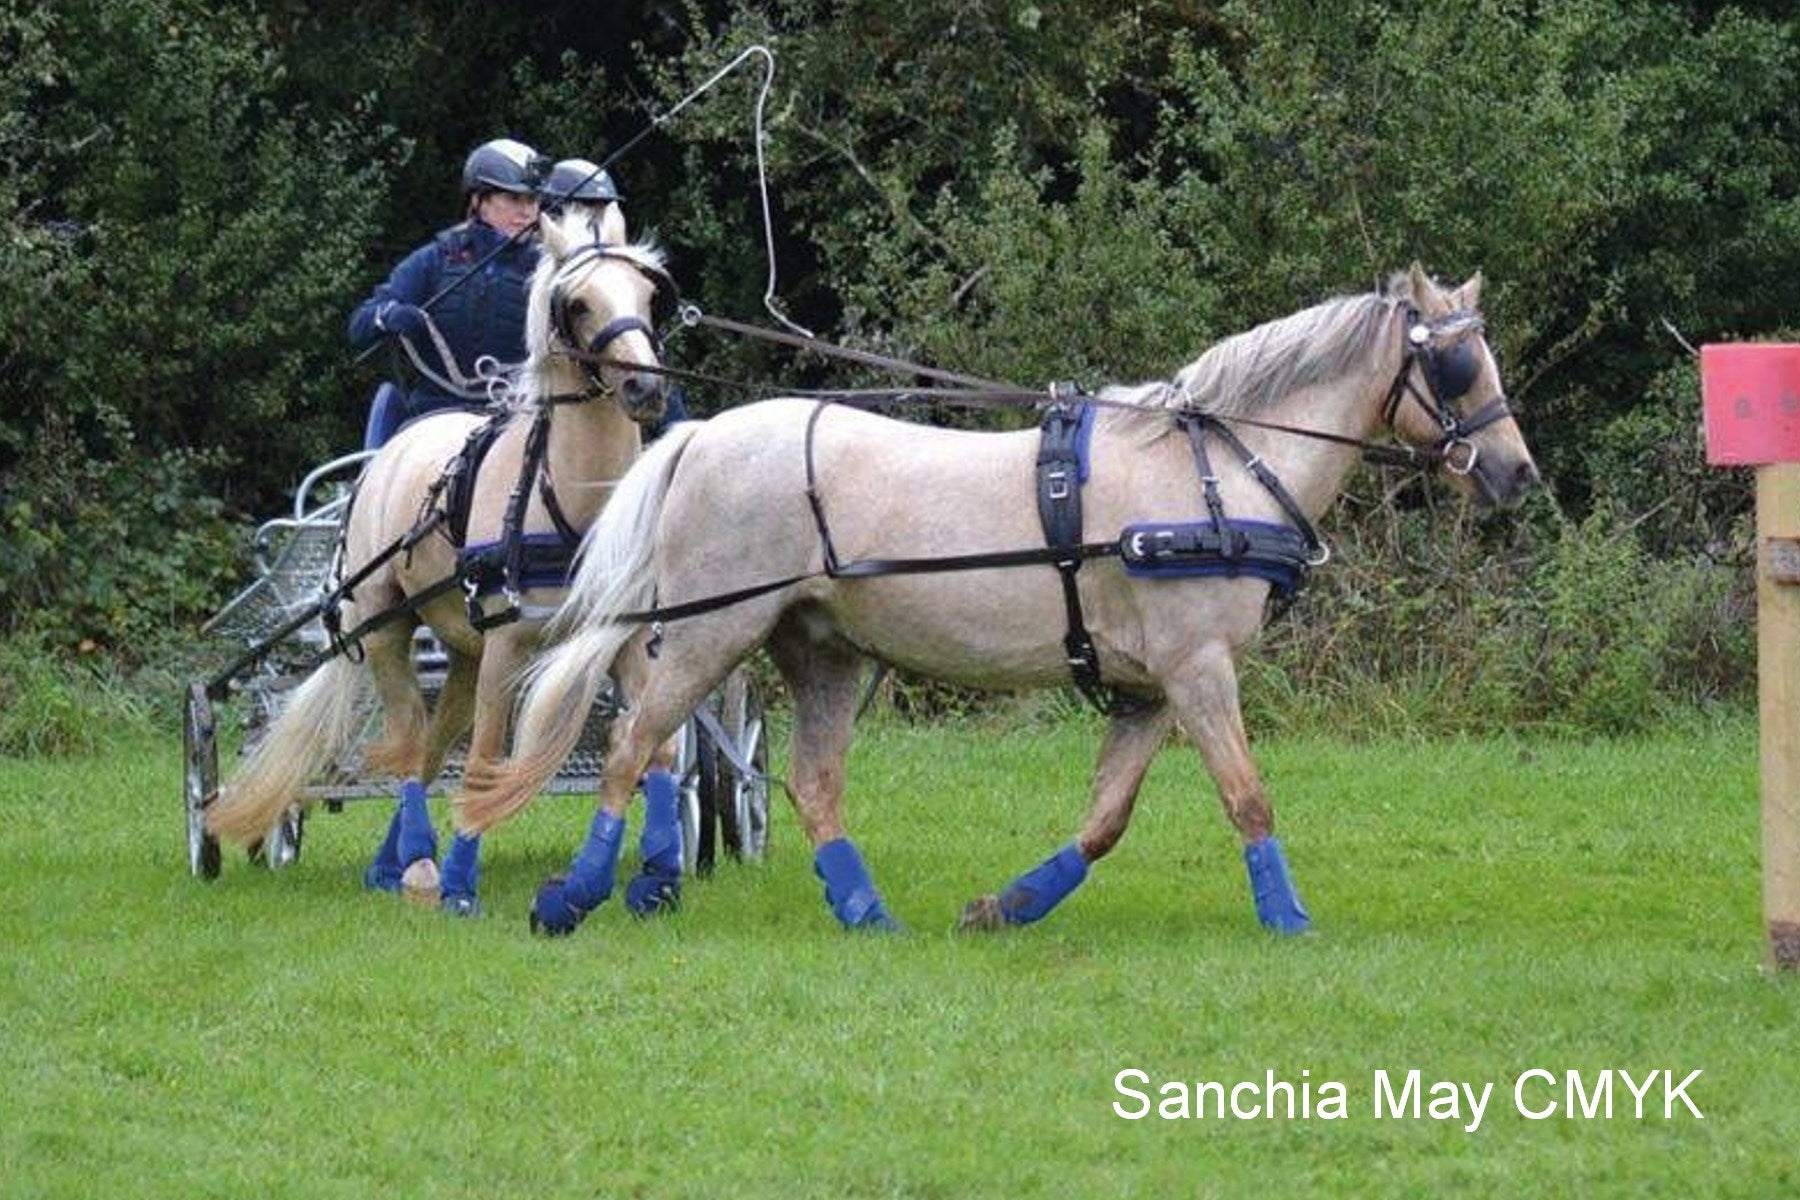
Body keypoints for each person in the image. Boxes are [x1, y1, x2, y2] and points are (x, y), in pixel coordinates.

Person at [348, 137, 550, 449]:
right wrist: (389, 316)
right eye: (513, 198)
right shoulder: (434, 260)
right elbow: (360, 326)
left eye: (533, 200)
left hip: (515, 420)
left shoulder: (548, 269)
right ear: (478, 201)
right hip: (431, 419)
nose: (526, 212)